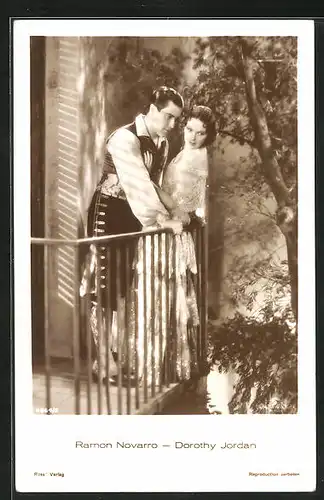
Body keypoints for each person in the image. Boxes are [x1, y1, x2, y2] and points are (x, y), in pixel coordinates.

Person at [80, 86, 185, 384]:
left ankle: (116, 357)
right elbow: (139, 184)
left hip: (130, 216)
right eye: (168, 116)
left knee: (122, 287)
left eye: (176, 119)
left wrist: (175, 208)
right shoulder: (124, 138)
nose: (172, 125)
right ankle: (103, 361)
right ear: (152, 108)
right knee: (104, 287)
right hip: (108, 213)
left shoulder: (160, 143)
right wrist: (162, 220)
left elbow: (153, 184)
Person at [125, 105, 216, 386]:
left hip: (171, 236)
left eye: (200, 133)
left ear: (207, 137)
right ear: (184, 126)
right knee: (156, 297)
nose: (192, 136)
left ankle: (155, 370)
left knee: (161, 299)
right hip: (166, 229)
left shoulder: (198, 157)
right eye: (189, 129)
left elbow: (191, 205)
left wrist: (169, 210)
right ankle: (153, 366)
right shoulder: (187, 152)